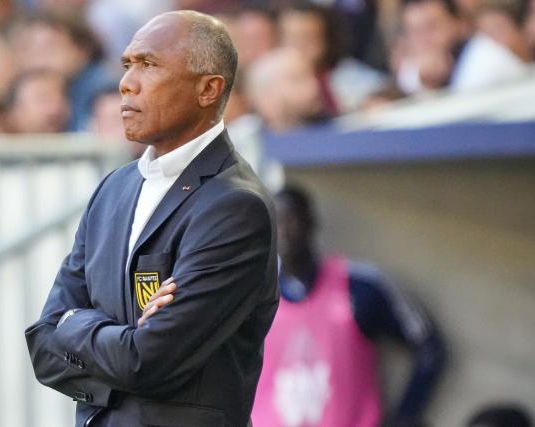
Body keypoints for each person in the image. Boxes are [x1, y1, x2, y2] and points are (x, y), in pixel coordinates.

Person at [25, 10, 278, 427]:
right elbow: (43, 347)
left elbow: (149, 361)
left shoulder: (234, 206)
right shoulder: (113, 189)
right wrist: (119, 341)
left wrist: (75, 326)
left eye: (148, 64)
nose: (126, 82)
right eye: (127, 64)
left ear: (208, 89)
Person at [251, 185, 446, 427]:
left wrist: (404, 418)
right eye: (276, 220)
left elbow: (429, 347)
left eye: (291, 218)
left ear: (311, 222)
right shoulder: (251, 295)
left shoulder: (361, 285)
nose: (284, 229)